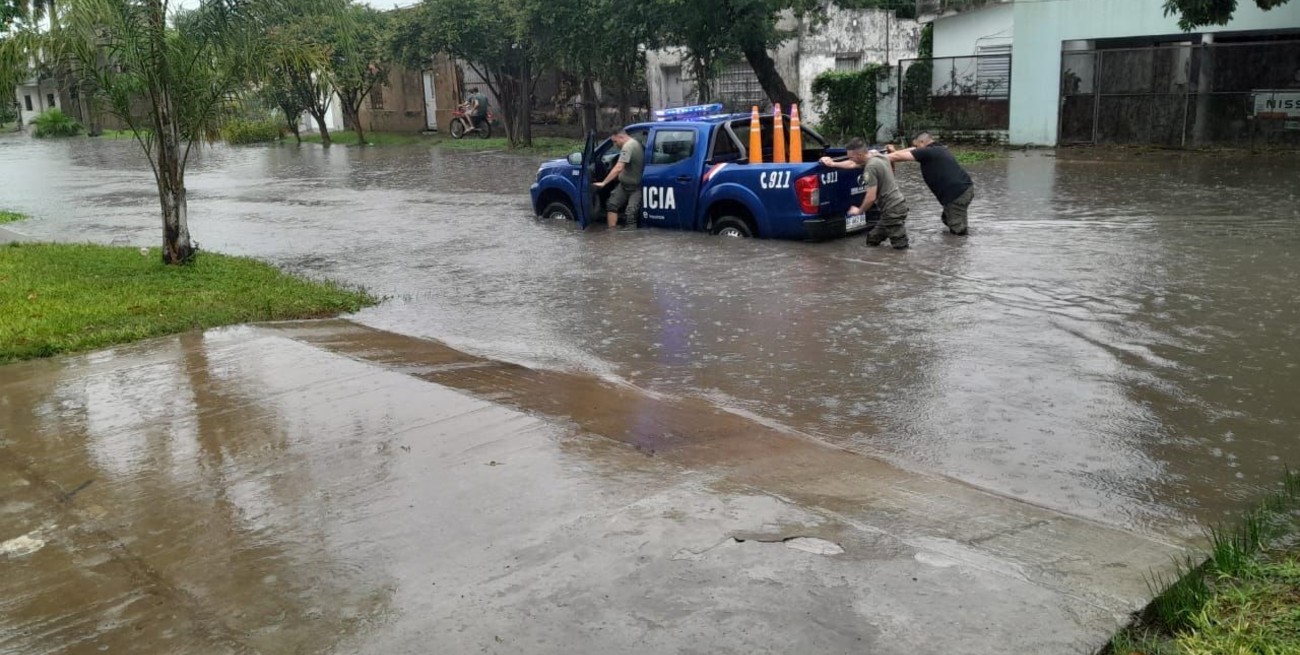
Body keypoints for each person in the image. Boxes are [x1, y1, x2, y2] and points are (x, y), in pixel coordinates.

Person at [820, 138, 909, 249]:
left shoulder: (870, 168)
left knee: (900, 246)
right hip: (898, 205)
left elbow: (871, 197)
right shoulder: (879, 157)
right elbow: (852, 165)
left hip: (892, 209)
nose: (850, 159)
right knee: (872, 239)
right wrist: (832, 164)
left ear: (860, 155)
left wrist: (859, 210)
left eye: (851, 157)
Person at [886, 132, 974, 236]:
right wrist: (893, 153)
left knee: (957, 229)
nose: (916, 148)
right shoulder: (937, 148)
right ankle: (958, 240)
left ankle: (961, 245)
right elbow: (911, 151)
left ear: (922, 142)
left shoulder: (928, 152)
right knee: (947, 218)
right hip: (965, 189)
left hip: (956, 194)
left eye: (917, 146)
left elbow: (897, 157)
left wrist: (874, 157)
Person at [593, 129, 644, 229]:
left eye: (615, 141)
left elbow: (619, 167)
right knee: (612, 204)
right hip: (624, 185)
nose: (614, 144)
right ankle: (613, 236)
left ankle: (630, 239)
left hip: (636, 187)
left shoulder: (628, 146)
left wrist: (604, 183)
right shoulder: (635, 143)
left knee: (630, 214)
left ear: (621, 137)